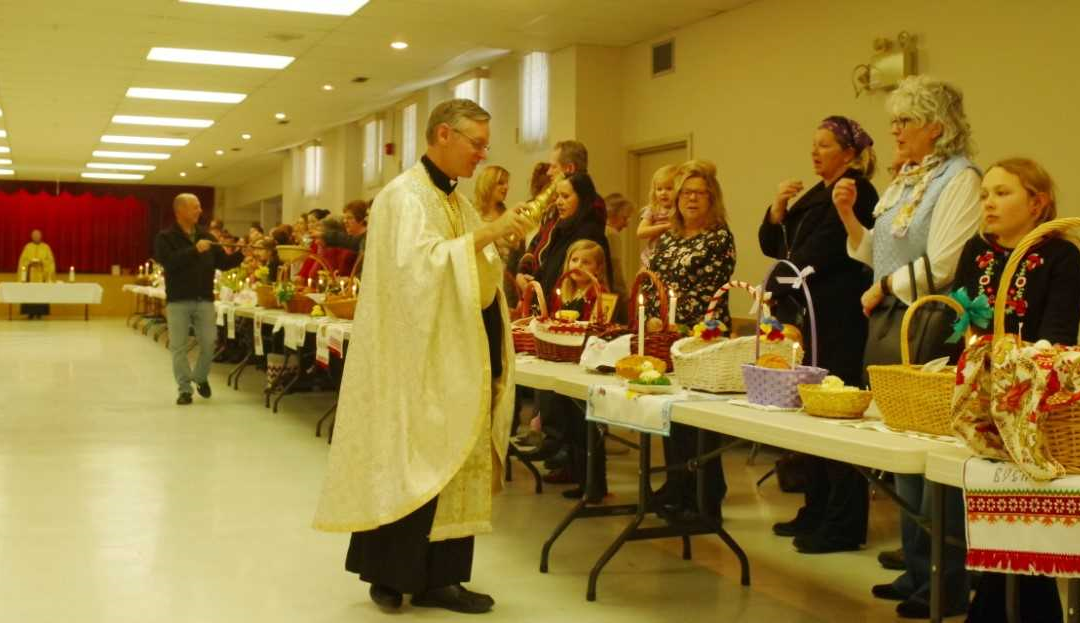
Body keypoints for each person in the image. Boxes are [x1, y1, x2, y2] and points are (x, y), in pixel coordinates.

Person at [313, 99, 531, 614]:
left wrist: (491, 242)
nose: (482, 153)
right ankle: (388, 575)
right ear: (442, 136)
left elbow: (474, 265)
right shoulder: (402, 196)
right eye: (476, 142)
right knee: (409, 460)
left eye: (485, 143)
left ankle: (442, 579)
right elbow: (415, 272)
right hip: (413, 358)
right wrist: (485, 236)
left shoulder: (457, 201)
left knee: (452, 460)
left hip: (456, 349)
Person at [834, 75, 981, 619]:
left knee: (929, 449)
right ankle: (917, 569)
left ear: (936, 128)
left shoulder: (961, 179)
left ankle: (944, 580)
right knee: (899, 445)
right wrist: (850, 219)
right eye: (894, 120)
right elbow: (879, 254)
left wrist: (882, 288)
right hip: (890, 319)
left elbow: (944, 264)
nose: (893, 129)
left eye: (906, 121)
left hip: (926, 320)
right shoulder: (907, 179)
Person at [953, 159, 1079, 623]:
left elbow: (1059, 337)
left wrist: (1010, 369)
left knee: (1022, 511)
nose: (988, 201)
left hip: (1032, 403)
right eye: (985, 193)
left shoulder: (1062, 258)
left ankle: (1003, 608)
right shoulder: (975, 252)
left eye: (1002, 193)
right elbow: (962, 326)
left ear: (1038, 202)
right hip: (977, 402)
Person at [758, 115, 879, 554]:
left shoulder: (856, 191)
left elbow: (820, 253)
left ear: (848, 153)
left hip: (841, 317)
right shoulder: (814, 193)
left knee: (837, 417)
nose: (815, 152)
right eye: (813, 145)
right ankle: (817, 506)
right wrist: (776, 212)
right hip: (811, 317)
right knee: (811, 414)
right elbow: (775, 245)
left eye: (824, 145)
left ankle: (844, 523)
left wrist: (775, 283)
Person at [648, 159, 735, 523]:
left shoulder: (719, 236)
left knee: (699, 419)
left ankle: (706, 494)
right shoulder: (667, 236)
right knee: (672, 414)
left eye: (700, 193)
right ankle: (677, 484)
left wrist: (675, 318)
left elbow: (709, 287)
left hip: (703, 336)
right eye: (686, 193)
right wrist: (654, 315)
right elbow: (656, 278)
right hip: (667, 335)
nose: (692, 199)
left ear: (712, 199)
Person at [154, 194, 243, 405]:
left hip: (204, 299)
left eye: (199, 206)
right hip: (178, 300)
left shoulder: (207, 236)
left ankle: (201, 377)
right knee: (178, 346)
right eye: (195, 207)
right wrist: (194, 250)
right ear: (180, 211)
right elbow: (168, 262)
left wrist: (241, 254)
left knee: (209, 342)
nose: (200, 211)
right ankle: (184, 388)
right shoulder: (165, 237)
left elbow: (223, 263)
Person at [637, 164, 676, 269]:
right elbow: (641, 232)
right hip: (652, 254)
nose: (663, 193)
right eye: (659, 189)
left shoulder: (680, 210)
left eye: (669, 188)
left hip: (673, 255)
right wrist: (664, 227)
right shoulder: (653, 209)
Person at [603, 192, 633, 311]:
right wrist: (626, 297)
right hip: (610, 298)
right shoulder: (611, 234)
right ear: (611, 214)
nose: (626, 224)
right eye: (624, 218)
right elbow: (615, 271)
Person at [17, 229, 56, 319]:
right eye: (34, 236)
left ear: (41, 236)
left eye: (38, 235)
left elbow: (50, 261)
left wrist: (42, 262)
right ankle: (30, 313)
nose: (36, 237)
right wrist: (29, 263)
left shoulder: (46, 247)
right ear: (32, 237)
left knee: (41, 294)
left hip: (41, 276)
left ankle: (40, 313)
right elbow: (23, 261)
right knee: (29, 293)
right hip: (30, 276)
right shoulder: (27, 247)